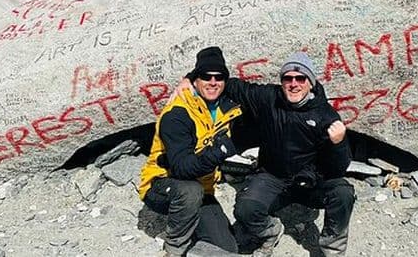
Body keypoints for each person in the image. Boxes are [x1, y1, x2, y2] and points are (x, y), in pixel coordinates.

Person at [180, 51, 355, 256]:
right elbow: (233, 85)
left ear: (311, 83)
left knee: (343, 193)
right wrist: (190, 78)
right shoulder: (268, 98)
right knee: (245, 209)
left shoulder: (325, 115)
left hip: (310, 183)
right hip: (273, 177)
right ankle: (272, 230)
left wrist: (338, 144)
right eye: (287, 78)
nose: (294, 84)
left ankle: (332, 249)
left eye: (300, 78)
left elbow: (338, 168)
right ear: (281, 82)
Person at [138, 46, 242, 256]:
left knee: (227, 248)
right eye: (206, 76)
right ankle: (175, 247)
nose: (213, 82)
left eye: (219, 77)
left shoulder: (228, 105)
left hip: (204, 188)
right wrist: (222, 150)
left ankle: (192, 229)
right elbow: (181, 169)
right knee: (189, 192)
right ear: (196, 79)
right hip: (162, 184)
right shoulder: (177, 114)